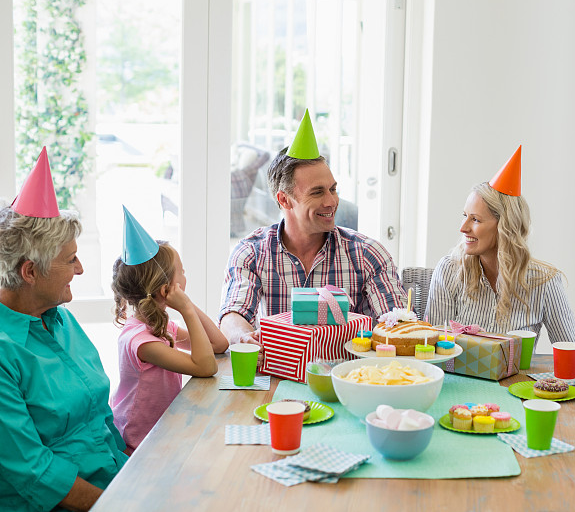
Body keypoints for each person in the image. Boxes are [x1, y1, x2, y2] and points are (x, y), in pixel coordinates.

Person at [0, 148, 127, 512]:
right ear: (29, 272)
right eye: (70, 259)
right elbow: (34, 471)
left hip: (113, 478)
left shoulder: (61, 317)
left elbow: (101, 417)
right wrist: (119, 504)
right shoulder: (4, 352)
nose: (81, 269)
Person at [220, 110, 406, 349]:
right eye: (317, 192)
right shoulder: (251, 253)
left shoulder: (368, 253)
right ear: (285, 200)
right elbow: (233, 315)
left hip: (348, 376)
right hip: (279, 375)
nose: (331, 202)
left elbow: (396, 323)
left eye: (333, 189)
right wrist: (244, 337)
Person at [426, 146, 575, 342]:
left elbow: (571, 351)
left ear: (505, 227)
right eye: (465, 216)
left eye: (476, 220)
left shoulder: (545, 282)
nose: (463, 228)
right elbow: (433, 349)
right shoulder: (449, 270)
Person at [110, 208, 229, 452]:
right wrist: (184, 308)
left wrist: (187, 304)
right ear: (165, 287)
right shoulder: (142, 342)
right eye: (181, 272)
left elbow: (218, 344)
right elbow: (206, 366)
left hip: (163, 429)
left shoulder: (161, 327)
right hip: (138, 442)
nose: (186, 276)